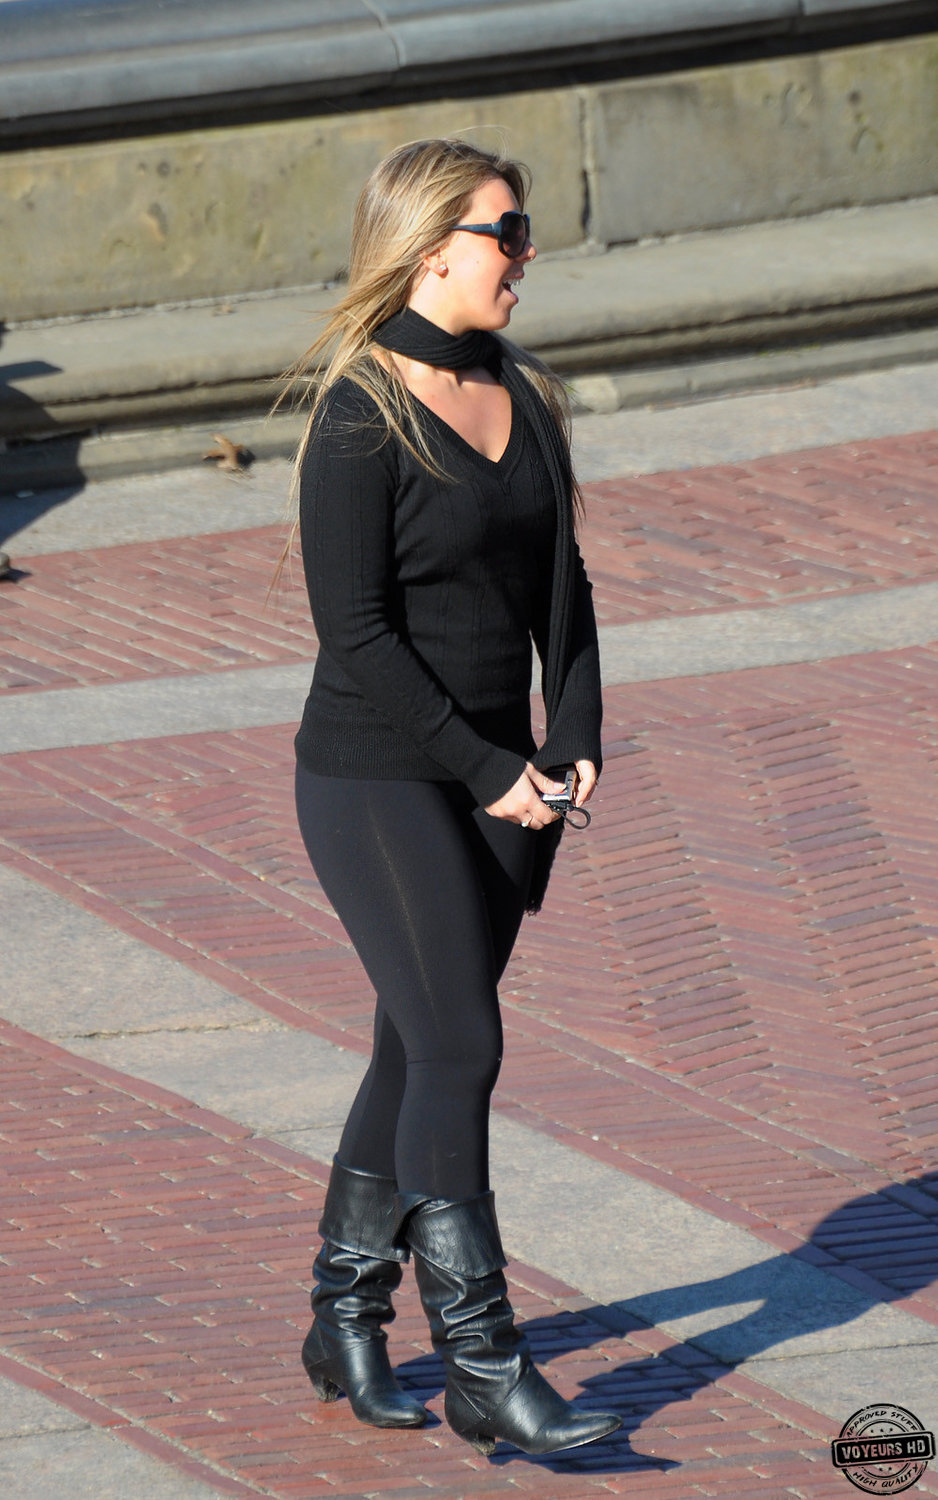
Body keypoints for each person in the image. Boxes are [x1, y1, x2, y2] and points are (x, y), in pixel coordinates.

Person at [288, 137, 619, 1457]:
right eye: (506, 231)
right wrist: (489, 771)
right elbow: (356, 632)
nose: (525, 253)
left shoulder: (522, 394)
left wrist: (575, 727)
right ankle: (484, 1360)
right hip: (378, 774)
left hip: (501, 777)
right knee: (460, 1048)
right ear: (431, 249)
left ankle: (344, 1316)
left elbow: (563, 587)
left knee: (413, 1049)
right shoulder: (358, 417)